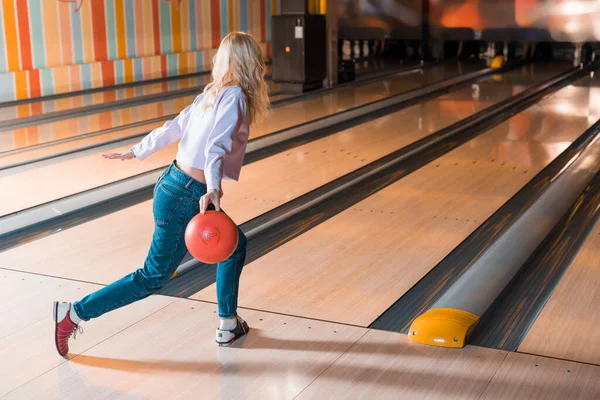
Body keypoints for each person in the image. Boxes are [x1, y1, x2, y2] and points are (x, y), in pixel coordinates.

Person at [53, 31, 270, 356]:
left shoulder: (213, 92)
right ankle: (72, 314)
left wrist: (137, 150)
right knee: (151, 278)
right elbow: (215, 148)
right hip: (189, 194)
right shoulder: (235, 95)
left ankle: (227, 324)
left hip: (172, 182)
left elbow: (174, 126)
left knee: (234, 246)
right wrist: (212, 188)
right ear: (250, 62)